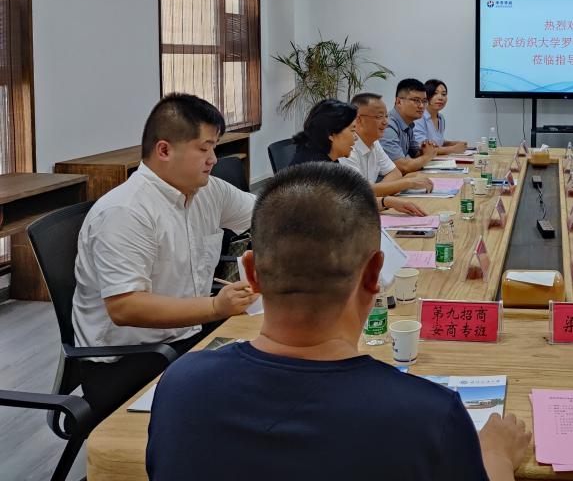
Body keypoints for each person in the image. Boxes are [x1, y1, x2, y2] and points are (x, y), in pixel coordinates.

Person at [147, 162, 531, 481]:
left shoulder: (181, 384)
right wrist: (496, 457)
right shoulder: (429, 416)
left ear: (251, 272)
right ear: (375, 274)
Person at [72, 94, 259, 419]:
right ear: (164, 150)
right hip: (129, 361)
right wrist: (215, 307)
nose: (213, 159)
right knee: (241, 400)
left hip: (187, 337)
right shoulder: (126, 211)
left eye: (214, 148)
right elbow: (126, 306)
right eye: (204, 148)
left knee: (269, 369)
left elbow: (270, 213)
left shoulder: (207, 191)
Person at [290, 98, 426, 216]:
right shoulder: (315, 168)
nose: (355, 138)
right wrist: (389, 200)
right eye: (352, 130)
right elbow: (346, 209)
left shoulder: (327, 159)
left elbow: (352, 200)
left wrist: (388, 202)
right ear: (331, 134)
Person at [348, 92, 434, 197]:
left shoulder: (374, 142)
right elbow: (360, 192)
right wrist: (407, 183)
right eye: (379, 116)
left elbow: (395, 173)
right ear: (359, 119)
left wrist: (378, 191)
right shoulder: (347, 148)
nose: (386, 122)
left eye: (386, 116)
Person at [381, 78, 440, 173]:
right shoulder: (387, 126)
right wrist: (428, 156)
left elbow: (415, 154)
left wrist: (426, 148)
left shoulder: (408, 124)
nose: (421, 106)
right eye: (416, 100)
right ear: (399, 102)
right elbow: (403, 167)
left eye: (424, 101)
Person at [413, 79, 468, 155]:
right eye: (435, 93)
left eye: (444, 94)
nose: (440, 98)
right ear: (426, 96)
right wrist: (453, 149)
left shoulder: (440, 118)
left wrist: (452, 143)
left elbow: (437, 142)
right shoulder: (419, 117)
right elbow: (423, 148)